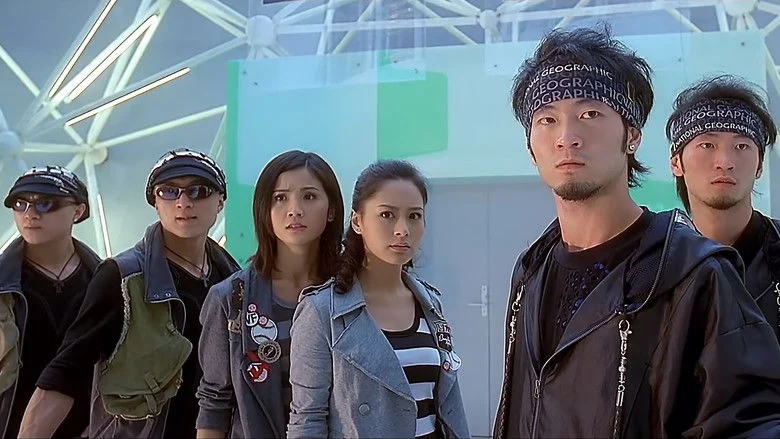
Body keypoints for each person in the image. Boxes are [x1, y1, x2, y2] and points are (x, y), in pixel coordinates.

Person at [493, 26, 780, 438]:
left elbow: (747, 422)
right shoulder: (530, 271)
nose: (567, 138)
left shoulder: (695, 275)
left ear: (632, 136)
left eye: (590, 114)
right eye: (547, 119)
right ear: (530, 147)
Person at [18, 148, 240, 438]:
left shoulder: (235, 282)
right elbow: (66, 371)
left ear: (220, 201)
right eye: (169, 191)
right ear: (155, 202)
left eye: (198, 191)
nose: (183, 202)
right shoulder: (122, 277)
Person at [287, 160, 470, 439]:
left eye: (414, 216)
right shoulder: (322, 311)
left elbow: (447, 404)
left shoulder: (430, 303)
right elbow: (307, 420)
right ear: (357, 221)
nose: (402, 229)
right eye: (387, 215)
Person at [196, 150, 344, 438]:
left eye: (309, 196)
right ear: (264, 210)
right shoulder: (230, 298)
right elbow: (214, 403)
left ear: (332, 210)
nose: (294, 210)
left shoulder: (353, 292)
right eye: (280, 198)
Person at [667, 74, 780, 340]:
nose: (725, 162)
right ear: (676, 163)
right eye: (707, 145)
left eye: (741, 146)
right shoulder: (655, 266)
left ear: (760, 166)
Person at [0, 166, 99, 438]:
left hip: (90, 428)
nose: (30, 214)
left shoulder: (109, 281)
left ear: (78, 211)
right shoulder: (4, 283)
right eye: (20, 204)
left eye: (46, 203)